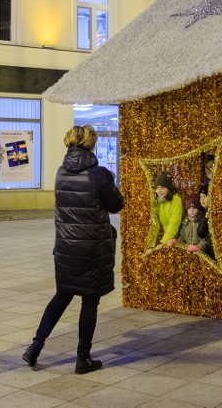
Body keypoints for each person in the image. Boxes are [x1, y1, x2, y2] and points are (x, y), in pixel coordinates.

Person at [23, 125, 123, 374]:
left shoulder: (60, 172)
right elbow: (116, 205)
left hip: (66, 248)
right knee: (90, 301)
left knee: (62, 295)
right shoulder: (100, 174)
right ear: (92, 145)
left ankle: (35, 347)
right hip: (91, 248)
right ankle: (83, 358)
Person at [142, 172, 183, 255]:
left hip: (178, 236)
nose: (159, 191)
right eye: (157, 188)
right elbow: (155, 224)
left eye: (162, 188)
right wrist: (151, 245)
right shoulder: (158, 202)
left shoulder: (176, 200)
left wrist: (163, 242)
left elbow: (174, 224)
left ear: (168, 188)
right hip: (167, 237)